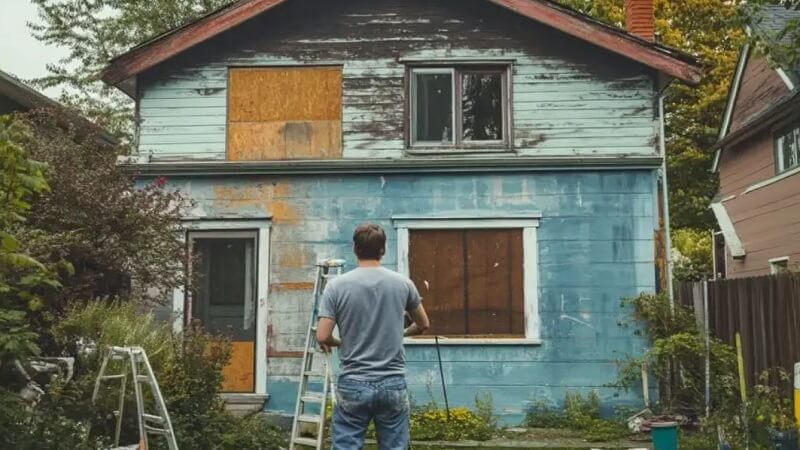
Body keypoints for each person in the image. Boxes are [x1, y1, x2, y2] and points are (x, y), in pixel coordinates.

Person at [316, 223, 430, 450]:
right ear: (383, 249)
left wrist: (339, 343)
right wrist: (400, 333)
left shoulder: (336, 287)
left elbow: (322, 336)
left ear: (355, 249)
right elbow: (423, 324)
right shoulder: (403, 284)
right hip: (392, 382)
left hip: (353, 383)